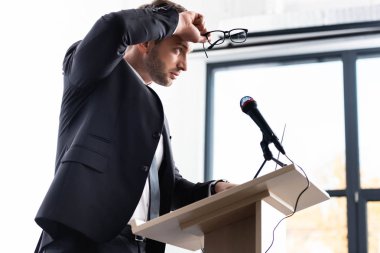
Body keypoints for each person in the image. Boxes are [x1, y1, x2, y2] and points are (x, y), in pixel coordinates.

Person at [34, 0, 234, 252]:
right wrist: (178, 20)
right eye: (178, 50)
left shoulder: (154, 112)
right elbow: (115, 26)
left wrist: (213, 191)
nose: (184, 65)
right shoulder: (92, 73)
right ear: (147, 41)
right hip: (82, 242)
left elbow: (166, 188)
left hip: (136, 245)